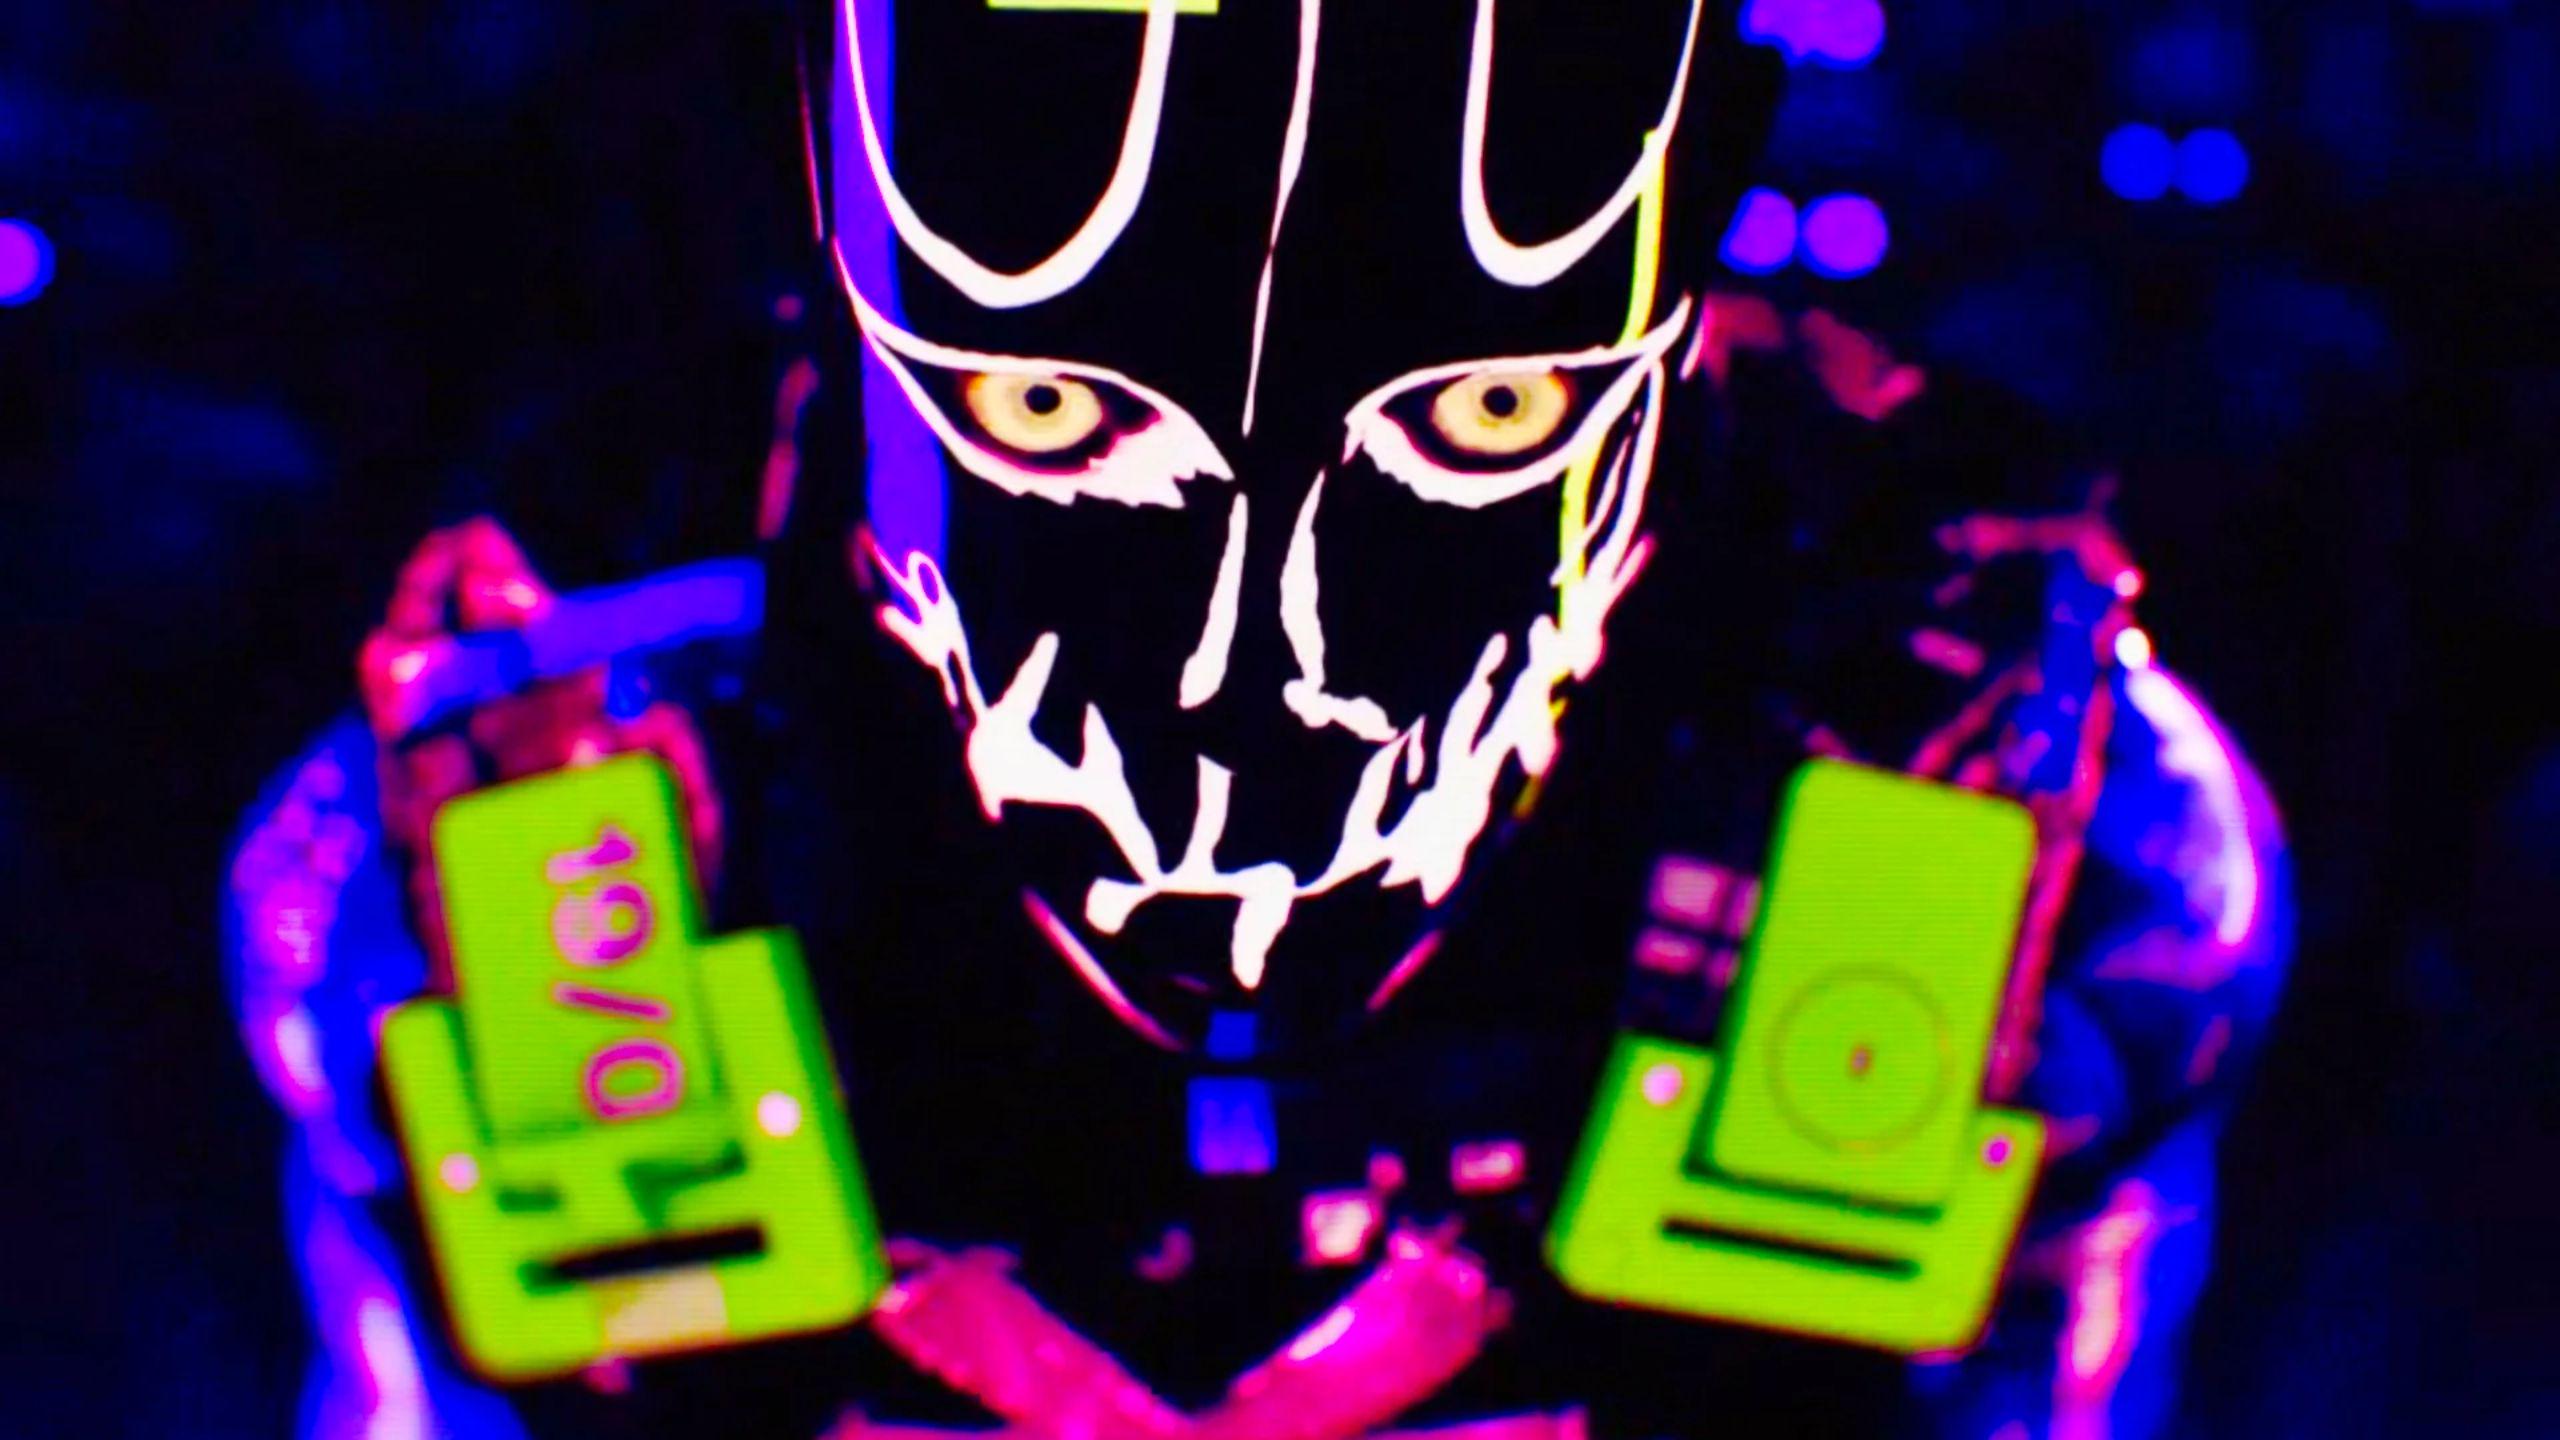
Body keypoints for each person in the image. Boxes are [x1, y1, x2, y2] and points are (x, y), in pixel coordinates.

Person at [225, 3, 2292, 1435]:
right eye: (1060, 410)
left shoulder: (1971, 772)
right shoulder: (541, 785)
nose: (1250, 692)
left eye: (1471, 413)